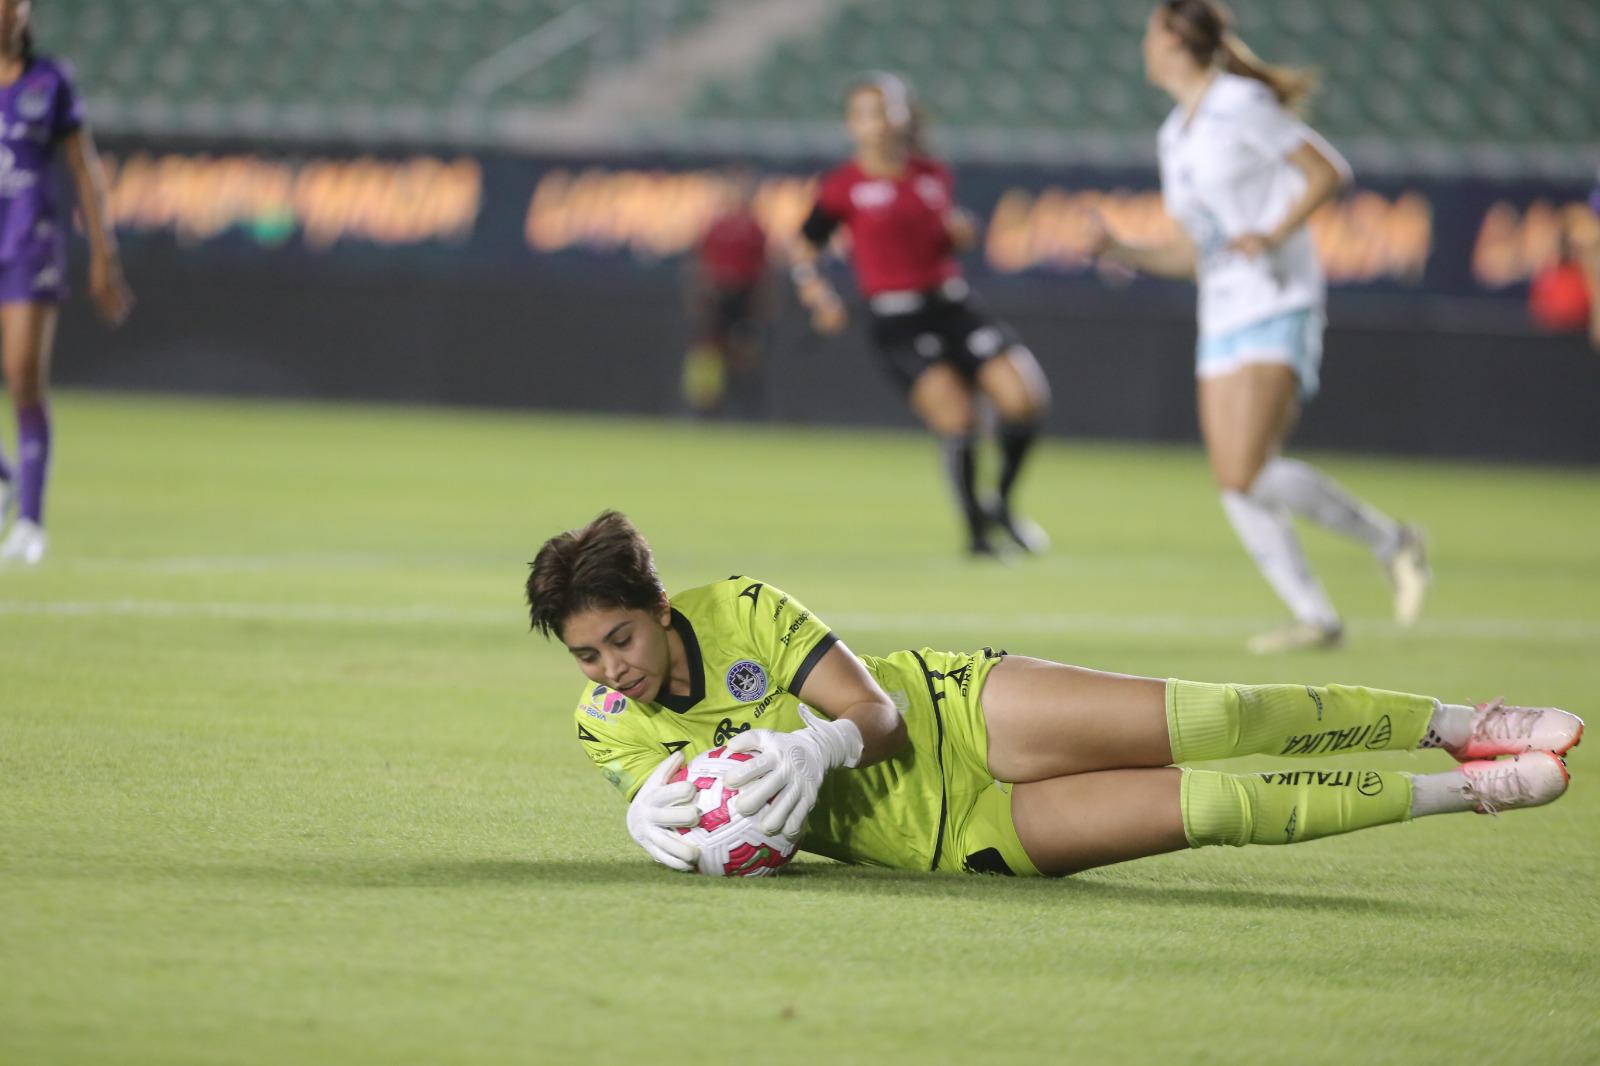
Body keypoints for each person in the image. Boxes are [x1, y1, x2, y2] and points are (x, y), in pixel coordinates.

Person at [527, 511, 1582, 877]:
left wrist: (817, 748)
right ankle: (1467, 794)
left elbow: (877, 720)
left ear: (661, 607)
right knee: (1216, 809)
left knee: (1220, 717)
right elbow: (740, 834)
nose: (610, 668)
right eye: (585, 655)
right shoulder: (605, 730)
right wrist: (662, 823)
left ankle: (1460, 725)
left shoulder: (742, 606)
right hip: (954, 837)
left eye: (619, 637)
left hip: (957, 712)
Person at [1083, 1, 1427, 652]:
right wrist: (1121, 249)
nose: (1144, 47)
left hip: (1279, 296)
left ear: (1175, 43)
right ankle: (1319, 617)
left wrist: (1271, 233)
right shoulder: (1173, 135)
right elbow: (1191, 253)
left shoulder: (1239, 103)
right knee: (1236, 479)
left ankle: (1392, 540)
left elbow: (1329, 172)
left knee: (1244, 471)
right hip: (1222, 311)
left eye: (1151, 34)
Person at [791, 73, 1051, 558]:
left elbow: (941, 238)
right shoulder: (844, 186)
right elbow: (805, 244)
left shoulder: (932, 173)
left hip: (951, 304)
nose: (881, 121)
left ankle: (1003, 504)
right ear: (854, 125)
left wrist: (958, 235)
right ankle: (976, 535)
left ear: (905, 115)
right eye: (868, 112)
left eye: (888, 109)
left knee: (1024, 398)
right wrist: (817, 295)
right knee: (958, 416)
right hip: (897, 318)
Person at [0, 0, 133, 566]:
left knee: (23, 375)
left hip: (30, 245)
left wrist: (105, 253)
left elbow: (84, 168)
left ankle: (30, 522)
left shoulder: (50, 81)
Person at [681, 167, 768, 417]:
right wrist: (699, 294)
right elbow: (700, 264)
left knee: (745, 352)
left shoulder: (755, 229)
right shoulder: (716, 226)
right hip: (717, 295)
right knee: (707, 350)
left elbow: (763, 270)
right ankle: (703, 407)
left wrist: (760, 303)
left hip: (744, 296)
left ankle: (745, 408)